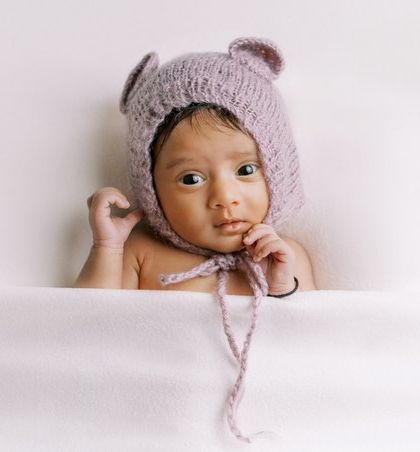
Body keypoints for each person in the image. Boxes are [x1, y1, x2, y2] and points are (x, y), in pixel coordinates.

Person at [74, 37, 316, 443]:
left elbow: (311, 347)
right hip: (148, 421)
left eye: (245, 169)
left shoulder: (283, 257)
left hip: (260, 425)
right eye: (191, 179)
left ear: (276, 166)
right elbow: (82, 329)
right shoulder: (142, 252)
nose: (224, 197)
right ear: (152, 189)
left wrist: (282, 288)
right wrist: (107, 248)